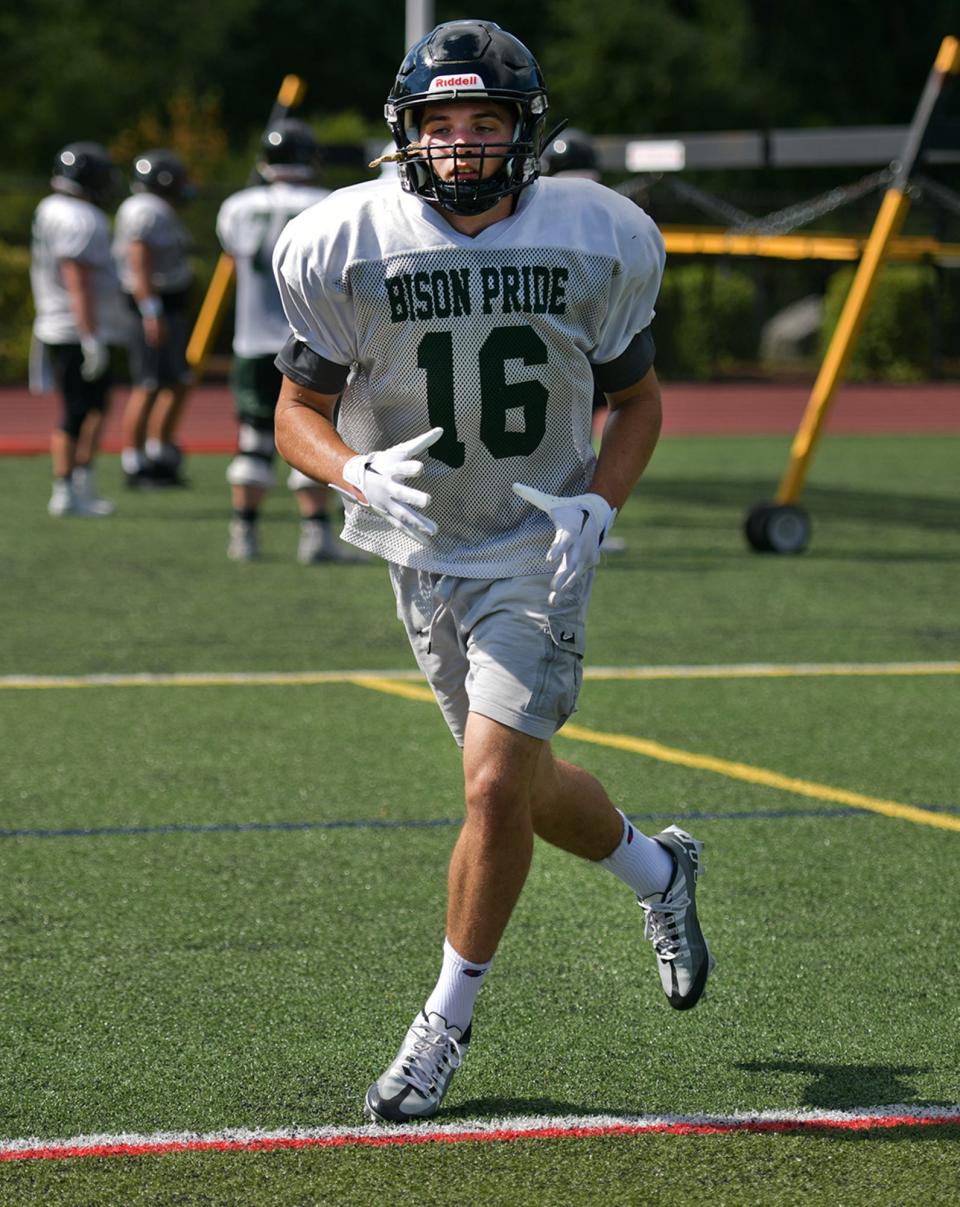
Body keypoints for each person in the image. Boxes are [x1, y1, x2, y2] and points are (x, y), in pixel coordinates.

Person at [273, 18, 714, 1124]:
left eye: (484, 121)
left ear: (524, 130)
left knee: (486, 784)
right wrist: (354, 472)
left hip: (536, 547)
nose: (462, 144)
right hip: (423, 549)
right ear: (406, 132)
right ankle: (662, 874)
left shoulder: (596, 234)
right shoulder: (344, 240)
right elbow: (297, 412)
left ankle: (443, 1024)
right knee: (521, 783)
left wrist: (597, 506)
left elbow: (640, 398)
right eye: (441, 122)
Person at [216, 119, 342, 563]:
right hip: (311, 338)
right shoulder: (329, 204)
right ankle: (316, 534)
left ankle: (244, 533)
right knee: (316, 430)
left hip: (251, 339)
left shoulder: (236, 206)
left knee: (252, 437)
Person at [30, 142, 127, 517]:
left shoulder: (50, 208)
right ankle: (67, 487)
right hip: (74, 327)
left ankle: (78, 483)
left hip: (58, 322)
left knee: (93, 407)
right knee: (78, 409)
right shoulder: (81, 218)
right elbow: (78, 281)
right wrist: (90, 336)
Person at [113, 148, 194, 488]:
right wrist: (151, 310)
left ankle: (158, 450)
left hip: (165, 305)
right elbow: (139, 259)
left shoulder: (151, 208)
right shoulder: (146, 210)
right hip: (156, 305)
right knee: (147, 384)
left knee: (174, 381)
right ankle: (134, 460)